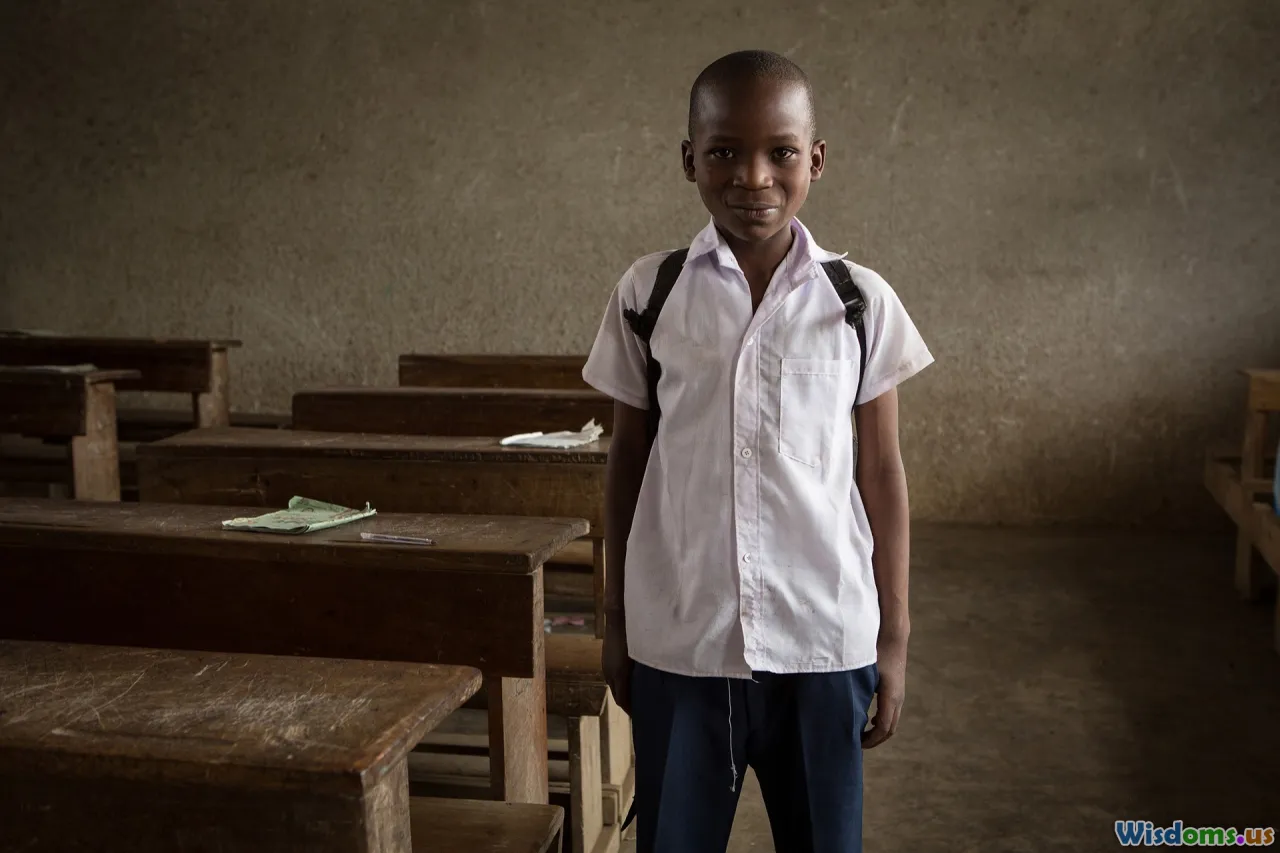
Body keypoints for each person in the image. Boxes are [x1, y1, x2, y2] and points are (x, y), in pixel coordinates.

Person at [581, 49, 934, 853]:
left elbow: (881, 472)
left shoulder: (857, 299)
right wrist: (617, 620)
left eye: (780, 152)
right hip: (684, 638)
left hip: (823, 638)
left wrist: (895, 638)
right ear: (688, 159)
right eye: (723, 153)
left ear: (816, 159)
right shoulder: (651, 291)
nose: (753, 177)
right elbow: (629, 459)